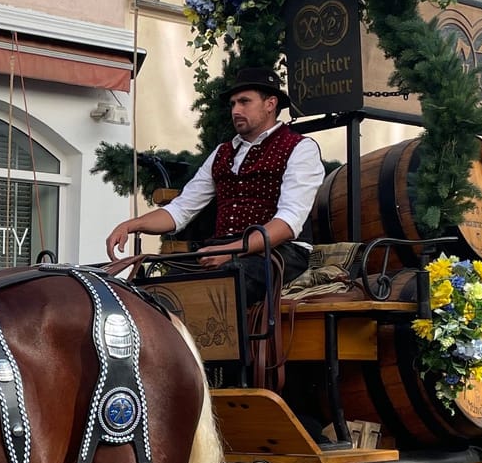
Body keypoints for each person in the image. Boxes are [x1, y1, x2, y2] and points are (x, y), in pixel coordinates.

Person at [105, 67, 324, 296]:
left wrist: (232, 251)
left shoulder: (300, 148)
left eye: (244, 102)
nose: (236, 110)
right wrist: (130, 226)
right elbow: (182, 209)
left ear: (270, 104)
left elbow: (288, 223)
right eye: (233, 104)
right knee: (160, 289)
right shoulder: (222, 152)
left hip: (279, 252)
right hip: (225, 249)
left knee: (224, 280)